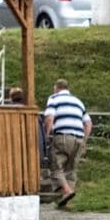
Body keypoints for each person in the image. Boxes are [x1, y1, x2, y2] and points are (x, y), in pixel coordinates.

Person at [41, 79, 89, 209]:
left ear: (56, 88)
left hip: (62, 137)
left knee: (55, 166)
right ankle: (66, 202)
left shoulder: (54, 98)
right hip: (79, 139)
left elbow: (49, 117)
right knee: (71, 170)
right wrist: (84, 140)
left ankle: (67, 191)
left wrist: (46, 134)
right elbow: (88, 123)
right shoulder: (78, 101)